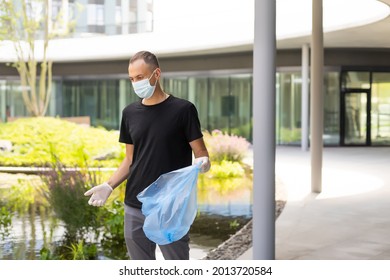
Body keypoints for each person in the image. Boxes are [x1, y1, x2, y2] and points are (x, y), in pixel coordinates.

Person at [84, 50, 211, 260]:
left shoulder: (183, 110)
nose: (136, 83)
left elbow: (200, 152)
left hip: (169, 206)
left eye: (140, 77)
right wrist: (109, 185)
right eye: (132, 79)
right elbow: (130, 159)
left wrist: (203, 163)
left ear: (156, 74)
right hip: (135, 204)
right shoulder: (129, 113)